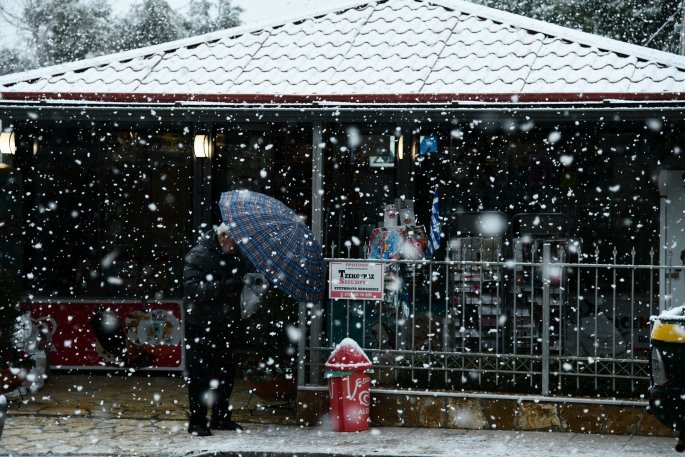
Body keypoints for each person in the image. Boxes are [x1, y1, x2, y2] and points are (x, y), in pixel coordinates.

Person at [182, 223, 249, 436]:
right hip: (200, 324)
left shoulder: (234, 256)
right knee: (199, 375)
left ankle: (220, 417)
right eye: (236, 241)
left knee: (225, 372)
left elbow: (236, 281)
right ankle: (197, 421)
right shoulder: (199, 254)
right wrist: (224, 287)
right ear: (224, 236)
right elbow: (192, 290)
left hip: (225, 322)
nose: (239, 246)